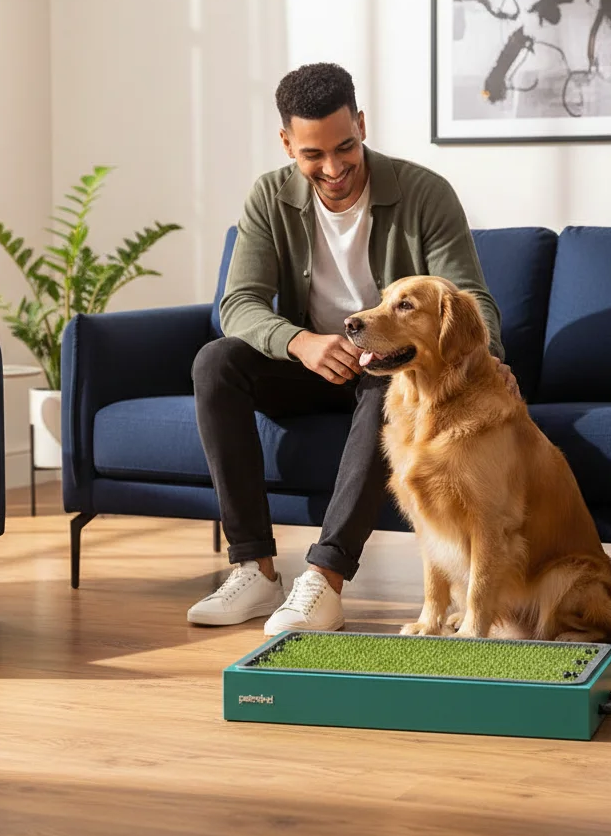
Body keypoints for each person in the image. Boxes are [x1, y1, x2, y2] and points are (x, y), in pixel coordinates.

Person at [186, 62, 518, 635]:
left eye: (345, 147)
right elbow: (236, 304)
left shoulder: (424, 193)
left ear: (361, 124)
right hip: (310, 365)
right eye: (314, 154)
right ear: (287, 143)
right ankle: (255, 569)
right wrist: (300, 342)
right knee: (215, 362)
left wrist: (489, 360)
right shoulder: (269, 197)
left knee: (386, 384)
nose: (334, 168)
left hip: (388, 372)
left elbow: (472, 303)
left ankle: (324, 580)